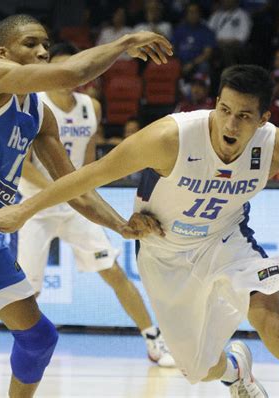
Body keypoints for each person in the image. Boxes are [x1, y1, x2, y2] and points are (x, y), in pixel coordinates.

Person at [0, 64, 279, 397]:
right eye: (224, 109)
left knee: (278, 330)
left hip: (226, 242)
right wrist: (25, 210)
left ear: (263, 119)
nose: (230, 123)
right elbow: (85, 177)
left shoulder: (275, 147)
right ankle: (235, 371)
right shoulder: (169, 138)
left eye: (243, 115)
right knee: (199, 369)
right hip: (163, 253)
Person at [0, 13, 172, 397]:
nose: (41, 51)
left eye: (46, 46)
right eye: (31, 44)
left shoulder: (39, 115)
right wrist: (123, 44)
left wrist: (121, 225)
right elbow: (72, 74)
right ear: (3, 52)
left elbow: (76, 188)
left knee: (39, 339)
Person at [17, 43, 174, 367]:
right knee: (24, 291)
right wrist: (59, 190)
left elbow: (88, 167)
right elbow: (23, 163)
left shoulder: (92, 107)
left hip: (75, 203)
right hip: (37, 204)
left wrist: (79, 194)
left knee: (113, 272)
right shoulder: (35, 104)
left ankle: (153, 340)